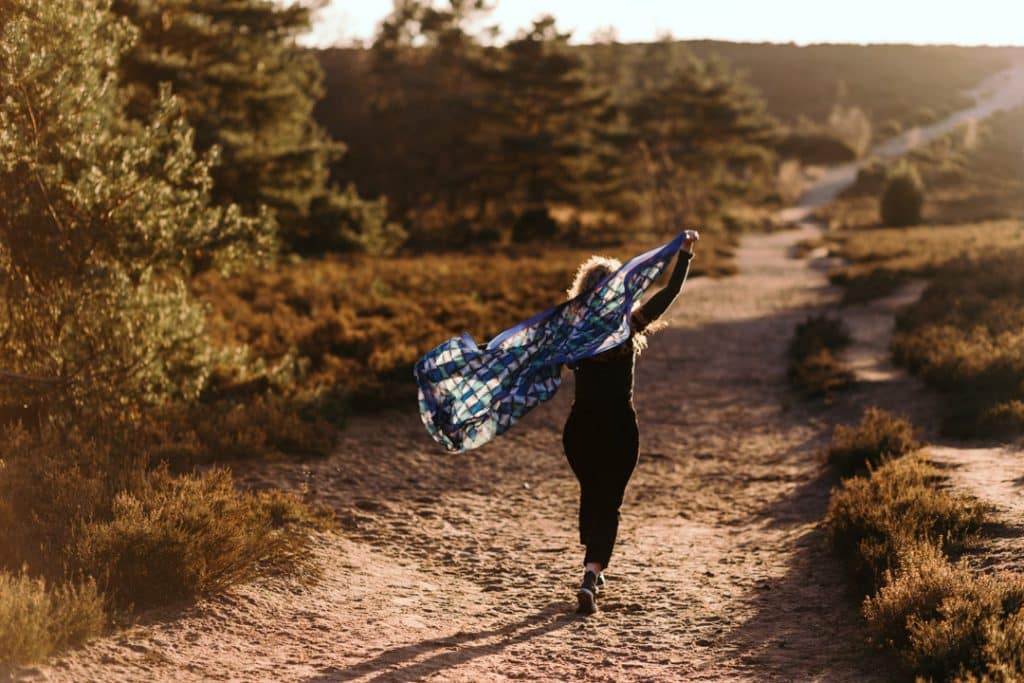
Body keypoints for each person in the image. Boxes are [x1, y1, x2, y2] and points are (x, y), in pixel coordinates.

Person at [563, 230, 698, 615]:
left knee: (594, 492)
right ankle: (591, 574)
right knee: (609, 502)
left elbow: (524, 351)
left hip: (580, 430)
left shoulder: (571, 335)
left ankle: (594, 562)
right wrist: (684, 254)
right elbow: (668, 294)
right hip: (619, 429)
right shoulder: (629, 327)